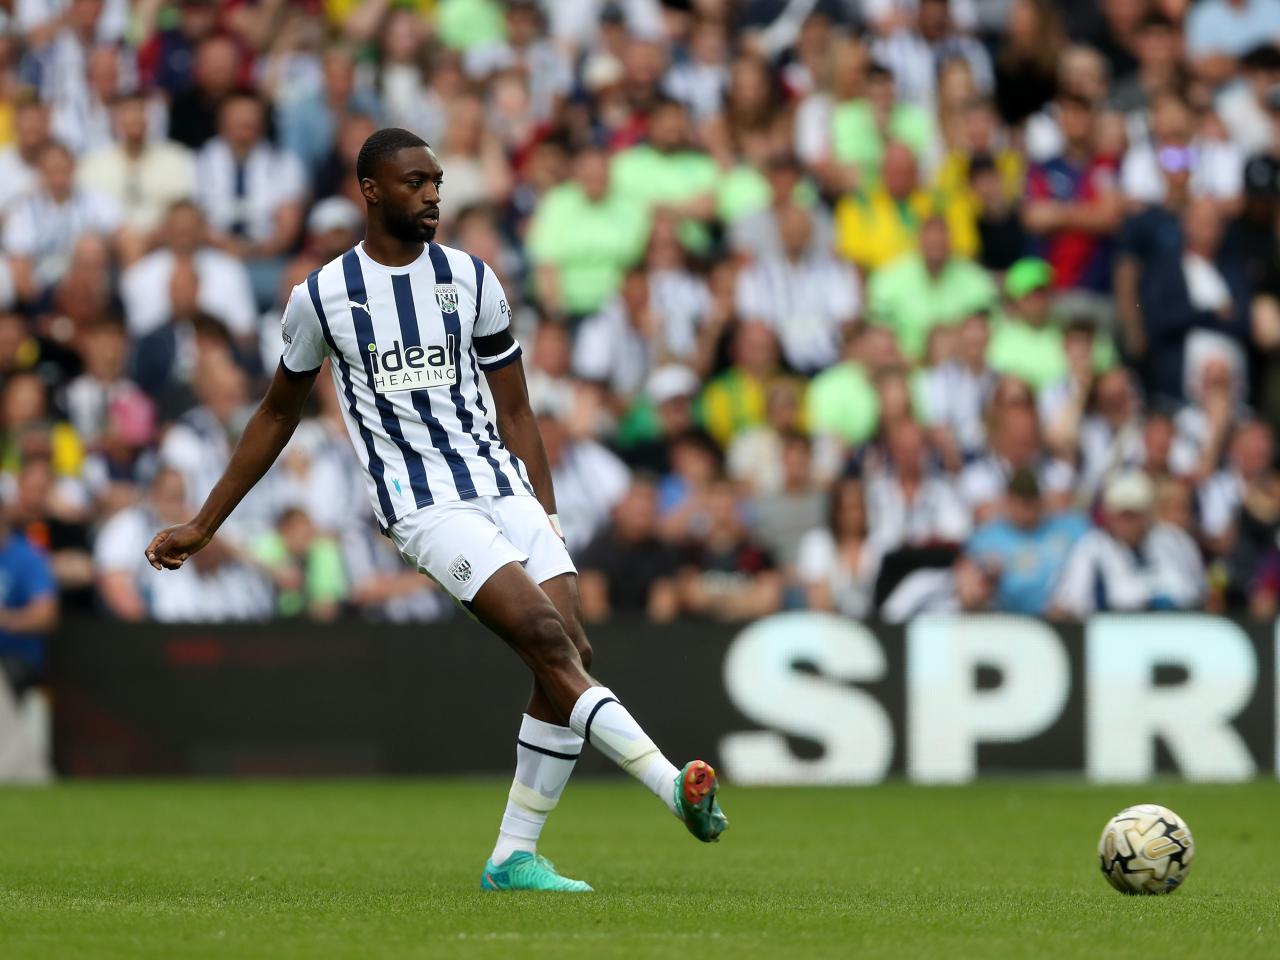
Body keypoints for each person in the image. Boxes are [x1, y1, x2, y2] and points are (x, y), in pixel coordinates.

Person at [144, 127, 727, 893]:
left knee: (570, 654)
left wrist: (547, 516)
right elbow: (277, 414)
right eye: (414, 183)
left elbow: (517, 410)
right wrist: (203, 524)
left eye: (437, 183)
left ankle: (512, 857)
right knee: (545, 636)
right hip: (422, 505)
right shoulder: (322, 296)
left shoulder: (471, 278)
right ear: (371, 191)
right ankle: (671, 786)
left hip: (503, 485)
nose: (431, 196)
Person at [1050, 469, 1205, 618]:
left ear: (1146, 513)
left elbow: (1199, 593)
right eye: (1122, 514)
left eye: (1134, 514)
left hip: (1178, 625)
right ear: (1109, 514)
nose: (1127, 522)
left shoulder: (1175, 541)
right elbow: (1068, 606)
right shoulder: (1091, 549)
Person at [965, 467, 1090, 615]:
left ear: (1041, 499)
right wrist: (988, 579)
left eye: (1031, 499)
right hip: (1014, 619)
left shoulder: (1070, 527)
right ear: (1008, 500)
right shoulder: (986, 539)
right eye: (1021, 500)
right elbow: (970, 591)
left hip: (1072, 616)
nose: (1027, 507)